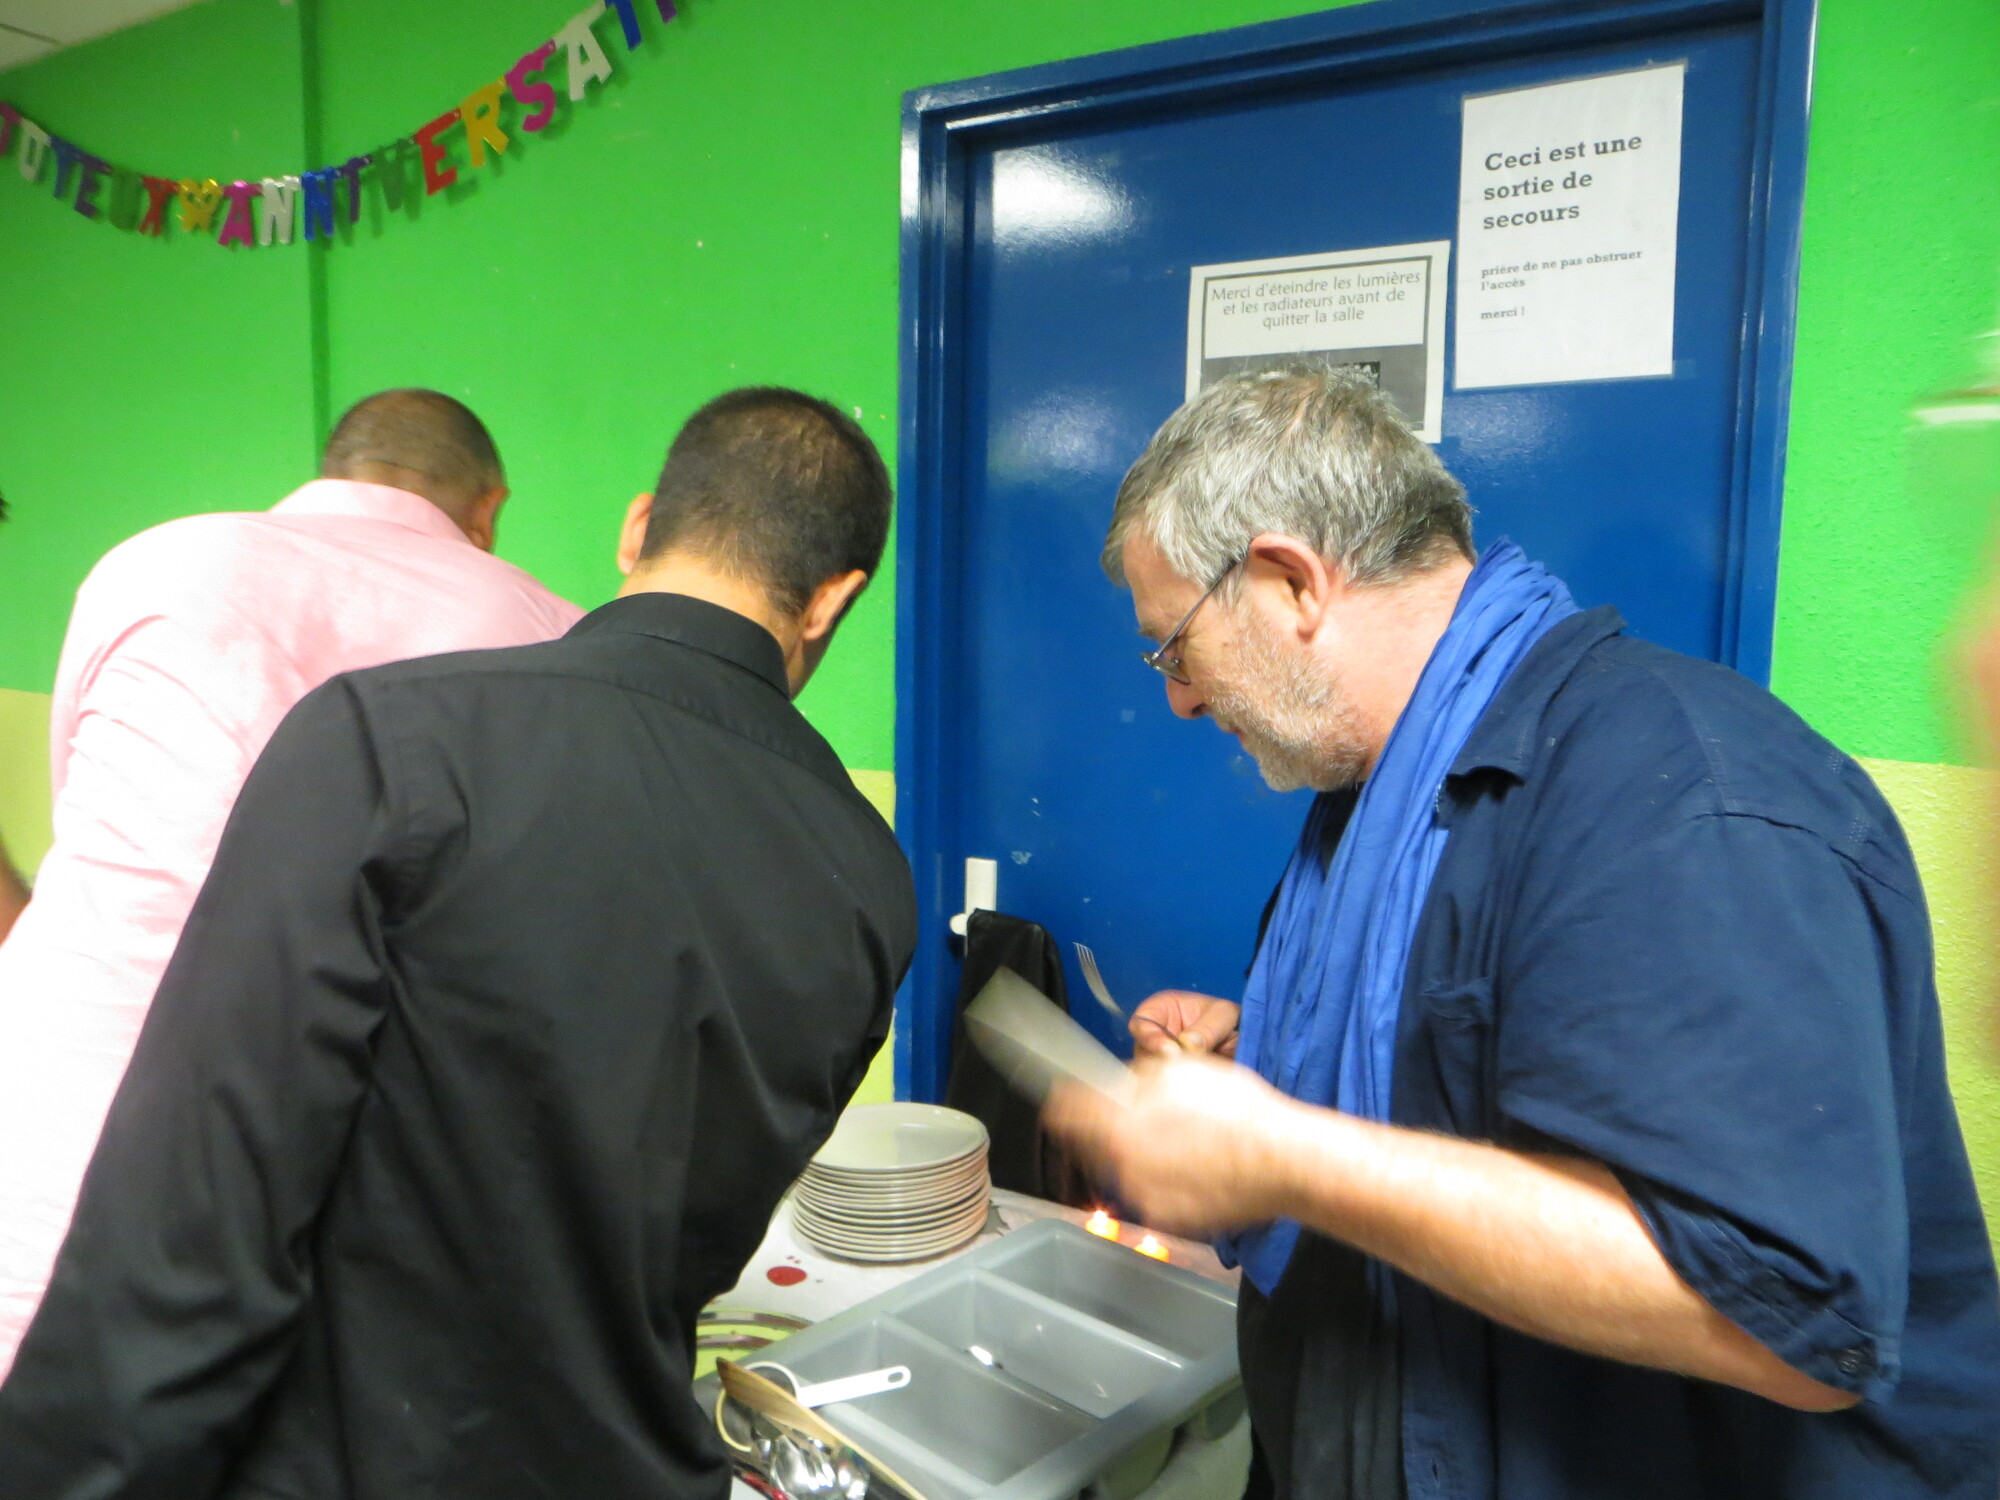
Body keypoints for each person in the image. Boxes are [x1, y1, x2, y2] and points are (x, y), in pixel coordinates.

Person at [1047, 367, 2000, 1500]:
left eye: (1176, 647)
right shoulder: (1380, 794)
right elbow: (1517, 1063)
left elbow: (1782, 1315)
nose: (1179, 700)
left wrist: (1284, 1153)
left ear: (1289, 581)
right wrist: (1268, 1055)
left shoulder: (1685, 800)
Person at [0, 387, 917, 1500]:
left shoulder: (388, 737)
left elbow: (200, 1221)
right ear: (832, 598)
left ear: (637, 527)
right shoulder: (868, 878)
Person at [0, 389, 582, 1370]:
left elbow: (84, 816)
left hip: (48, 1117)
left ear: (334, 467)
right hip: (336, 1189)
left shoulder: (151, 563)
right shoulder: (549, 635)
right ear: (489, 508)